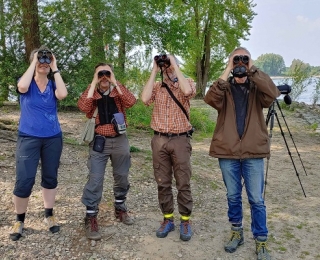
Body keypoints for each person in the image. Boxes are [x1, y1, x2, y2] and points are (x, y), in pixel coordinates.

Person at [204, 47, 280, 260]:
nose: (240, 63)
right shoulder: (224, 89)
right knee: (233, 196)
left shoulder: (257, 89)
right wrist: (228, 67)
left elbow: (273, 93)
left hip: (253, 153)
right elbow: (209, 99)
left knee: (256, 199)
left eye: (243, 60)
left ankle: (261, 240)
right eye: (236, 60)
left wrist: (251, 68)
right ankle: (237, 232)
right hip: (228, 152)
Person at [10, 45, 68, 241]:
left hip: (52, 137)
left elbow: (63, 95)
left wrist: (55, 66)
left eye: (47, 59)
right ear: (33, 62)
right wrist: (35, 60)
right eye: (40, 59)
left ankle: (49, 215)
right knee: (25, 180)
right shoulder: (25, 81)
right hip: (28, 137)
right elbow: (22, 87)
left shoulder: (53, 84)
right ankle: (19, 220)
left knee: (50, 177)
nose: (44, 62)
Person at [78, 62, 136, 240]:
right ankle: (91, 216)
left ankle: (120, 207)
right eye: (100, 74)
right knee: (95, 179)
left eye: (107, 74)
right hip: (99, 142)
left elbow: (131, 101)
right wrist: (93, 81)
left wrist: (114, 81)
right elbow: (84, 107)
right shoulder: (92, 94)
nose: (104, 77)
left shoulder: (118, 92)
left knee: (122, 176)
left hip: (119, 141)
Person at [141, 54, 196, 241]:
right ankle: (168, 219)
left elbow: (188, 92)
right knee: (162, 181)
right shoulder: (157, 86)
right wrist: (155, 69)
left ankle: (186, 220)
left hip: (180, 139)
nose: (168, 68)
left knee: (183, 181)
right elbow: (145, 99)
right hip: (159, 139)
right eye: (166, 65)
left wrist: (174, 66)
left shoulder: (186, 82)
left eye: (170, 64)